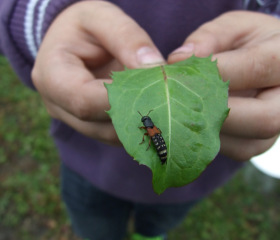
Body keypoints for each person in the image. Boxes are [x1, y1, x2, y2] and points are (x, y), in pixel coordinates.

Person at [1, 0, 280, 239]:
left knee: (160, 214)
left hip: (190, 182)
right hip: (89, 163)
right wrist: (47, 22)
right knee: (94, 218)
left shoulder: (152, 130)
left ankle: (150, 232)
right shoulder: (153, 129)